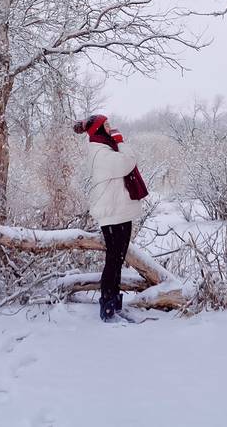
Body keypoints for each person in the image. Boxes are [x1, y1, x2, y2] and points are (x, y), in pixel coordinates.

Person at [73, 114, 144, 321]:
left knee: (117, 259)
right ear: (98, 131)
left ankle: (114, 304)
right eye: (106, 126)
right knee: (113, 260)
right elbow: (128, 162)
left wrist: (118, 143)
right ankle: (107, 308)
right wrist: (121, 142)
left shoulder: (106, 148)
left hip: (119, 209)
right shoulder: (100, 152)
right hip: (111, 213)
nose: (111, 128)